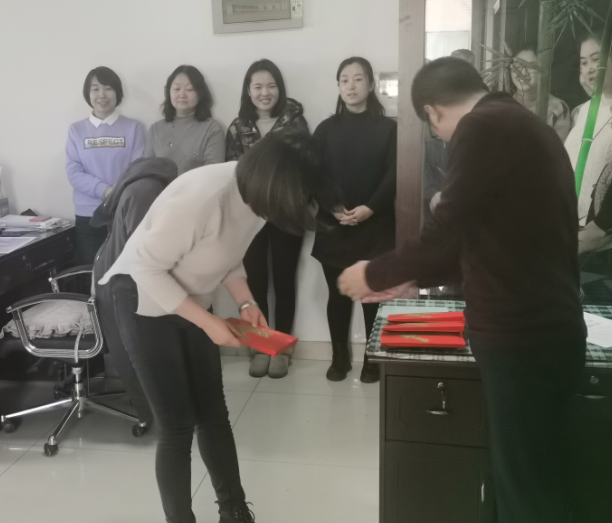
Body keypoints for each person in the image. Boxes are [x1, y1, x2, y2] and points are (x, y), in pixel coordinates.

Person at [339, 58, 586, 523]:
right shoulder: (525, 124)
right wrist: (410, 277)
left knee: (526, 489)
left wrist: (374, 273)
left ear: (432, 112)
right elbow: (487, 237)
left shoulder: (481, 128)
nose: (443, 139)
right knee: (528, 476)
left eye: (436, 130)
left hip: (521, 336)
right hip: (546, 330)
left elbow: (448, 227)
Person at [97, 131, 339, 523]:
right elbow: (146, 268)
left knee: (213, 413)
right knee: (176, 426)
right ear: (275, 183)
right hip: (141, 297)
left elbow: (228, 252)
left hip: (191, 294)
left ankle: (234, 511)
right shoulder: (203, 196)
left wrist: (246, 302)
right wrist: (207, 322)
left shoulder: (259, 197)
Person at [312, 56, 397, 384]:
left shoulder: (389, 128)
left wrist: (370, 208)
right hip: (334, 225)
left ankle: (372, 359)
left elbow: (394, 173)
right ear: (338, 86)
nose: (351, 86)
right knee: (337, 296)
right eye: (344, 80)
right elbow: (314, 175)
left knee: (371, 295)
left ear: (371, 85)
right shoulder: (325, 130)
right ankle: (339, 357)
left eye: (358, 79)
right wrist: (333, 208)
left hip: (376, 225)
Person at [226, 59, 309, 379]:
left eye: (271, 86)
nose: (265, 92)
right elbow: (230, 174)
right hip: (248, 216)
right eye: (258, 86)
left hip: (287, 213)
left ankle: (282, 348)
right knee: (255, 281)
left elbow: (306, 167)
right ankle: (260, 345)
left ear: (280, 88)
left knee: (285, 281)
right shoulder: (237, 128)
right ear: (248, 91)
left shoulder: (296, 123)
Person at [91, 157, 179, 429]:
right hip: (122, 282)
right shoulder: (145, 191)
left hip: (119, 274)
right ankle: (152, 416)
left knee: (140, 350)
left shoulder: (141, 186)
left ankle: (156, 411)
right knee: (136, 353)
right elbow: (144, 251)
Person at [66, 66, 145, 268]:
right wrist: (106, 190)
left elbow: (137, 170)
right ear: (88, 93)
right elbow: (74, 172)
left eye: (108, 88)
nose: (102, 95)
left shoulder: (133, 128)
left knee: (126, 274)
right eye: (95, 89)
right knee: (92, 275)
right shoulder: (76, 130)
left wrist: (117, 195)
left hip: (124, 214)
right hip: (89, 218)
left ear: (117, 92)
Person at [565, 32, 612, 224]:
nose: (589, 69)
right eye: (583, 63)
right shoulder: (582, 111)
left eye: (596, 59)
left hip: (599, 227)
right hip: (568, 218)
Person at [145, 65, 225, 175]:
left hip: (198, 186)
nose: (182, 94)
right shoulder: (155, 129)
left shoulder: (212, 129)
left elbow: (211, 174)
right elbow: (146, 171)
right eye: (176, 89)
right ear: (169, 92)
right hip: (160, 186)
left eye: (189, 89)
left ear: (200, 94)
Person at [511, 44, 570, 141]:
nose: (523, 73)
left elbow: (557, 148)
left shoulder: (558, 108)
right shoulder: (502, 105)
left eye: (531, 66)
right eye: (518, 66)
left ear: (543, 70)